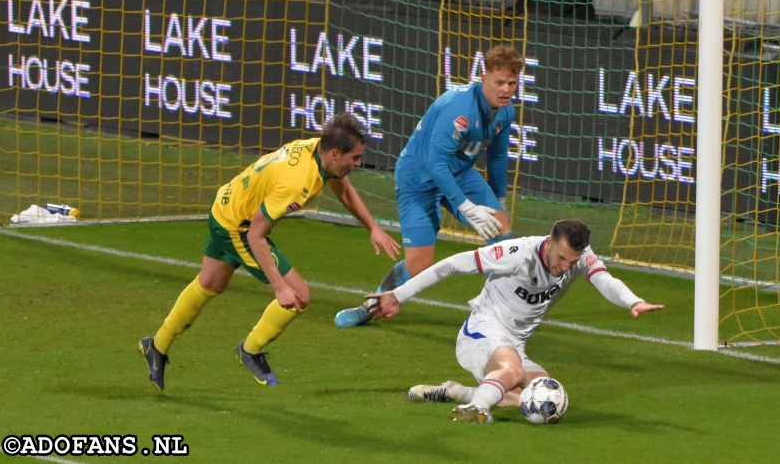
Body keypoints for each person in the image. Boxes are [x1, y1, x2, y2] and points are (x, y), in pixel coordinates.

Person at [138, 113, 401, 390]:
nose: (358, 164)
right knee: (298, 294)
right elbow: (255, 235)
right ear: (335, 154)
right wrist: (279, 288)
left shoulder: (319, 150)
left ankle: (156, 346)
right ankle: (250, 349)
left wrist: (372, 226)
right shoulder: (296, 183)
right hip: (237, 225)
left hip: (227, 205)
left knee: (210, 282)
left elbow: (343, 190)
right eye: (355, 158)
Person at [364, 219, 665, 423]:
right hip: (481, 330)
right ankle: (476, 407)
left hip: (514, 343)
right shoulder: (518, 253)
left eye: (571, 262)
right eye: (561, 258)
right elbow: (452, 265)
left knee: (547, 396)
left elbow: (606, 281)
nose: (564, 268)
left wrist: (633, 302)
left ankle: (457, 392)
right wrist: (398, 295)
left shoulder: (580, 257)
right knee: (512, 369)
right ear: (550, 242)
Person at [333, 44, 525, 328]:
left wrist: (499, 199)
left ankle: (495, 314)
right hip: (418, 179)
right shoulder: (458, 108)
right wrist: (466, 206)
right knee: (419, 265)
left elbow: (497, 156)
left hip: (459, 171)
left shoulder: (505, 112)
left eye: (511, 83)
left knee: (502, 231)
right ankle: (371, 306)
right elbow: (435, 164)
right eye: (499, 82)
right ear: (484, 78)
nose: (506, 89)